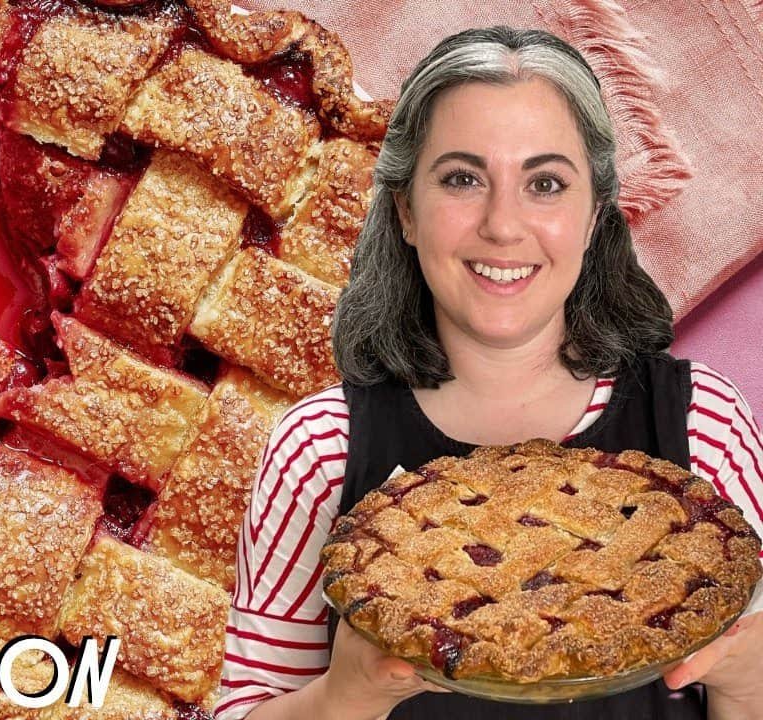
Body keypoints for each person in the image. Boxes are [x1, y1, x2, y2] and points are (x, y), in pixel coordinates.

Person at [214, 26, 763, 720]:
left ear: (595, 214)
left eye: (545, 183)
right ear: (406, 210)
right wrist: (345, 697)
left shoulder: (699, 424)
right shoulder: (320, 448)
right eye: (463, 178)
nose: (504, 225)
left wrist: (748, 681)